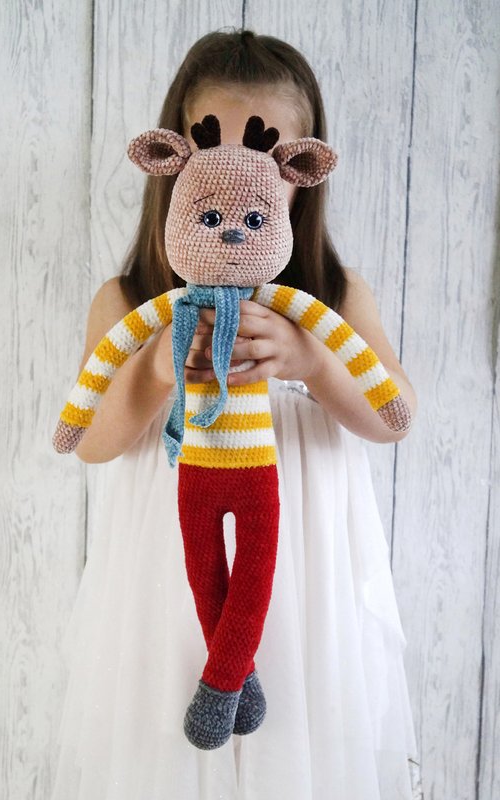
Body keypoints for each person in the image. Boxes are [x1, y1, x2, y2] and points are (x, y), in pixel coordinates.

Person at [50, 28, 424, 800]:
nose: (236, 168)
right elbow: (93, 442)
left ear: (301, 174)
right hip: (170, 550)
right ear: (172, 161)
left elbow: (393, 415)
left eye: (265, 152)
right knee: (168, 734)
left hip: (304, 551)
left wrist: (309, 359)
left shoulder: (332, 293)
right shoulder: (130, 300)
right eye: (209, 145)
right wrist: (158, 367)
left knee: (298, 728)